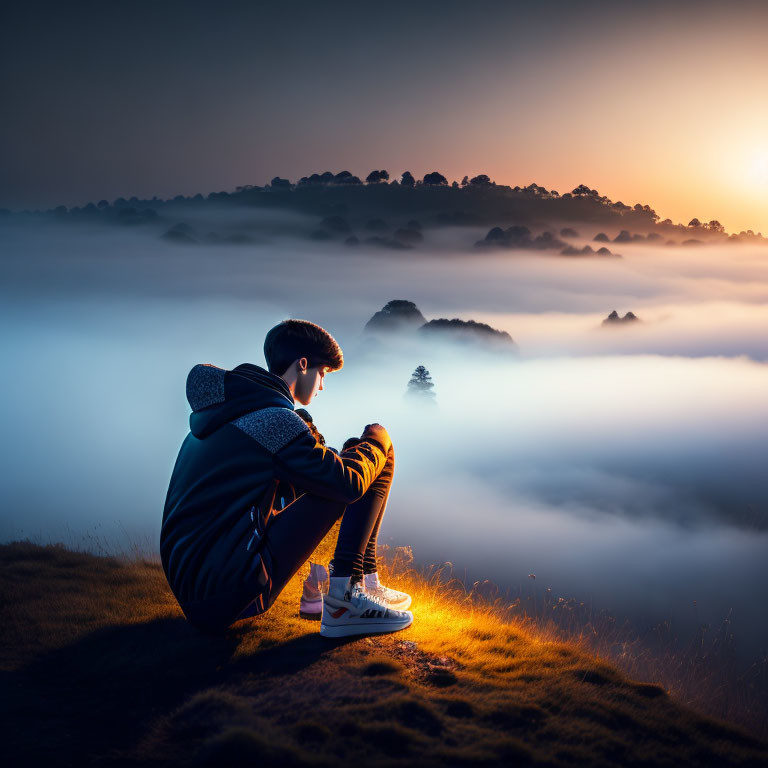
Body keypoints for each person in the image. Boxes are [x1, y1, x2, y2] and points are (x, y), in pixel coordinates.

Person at [160, 318, 413, 638]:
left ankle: (365, 584)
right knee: (371, 454)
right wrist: (377, 441)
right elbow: (346, 486)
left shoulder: (231, 412)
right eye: (322, 374)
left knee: (343, 461)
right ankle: (346, 600)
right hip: (230, 591)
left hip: (199, 588)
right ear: (303, 365)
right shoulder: (274, 422)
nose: (322, 385)